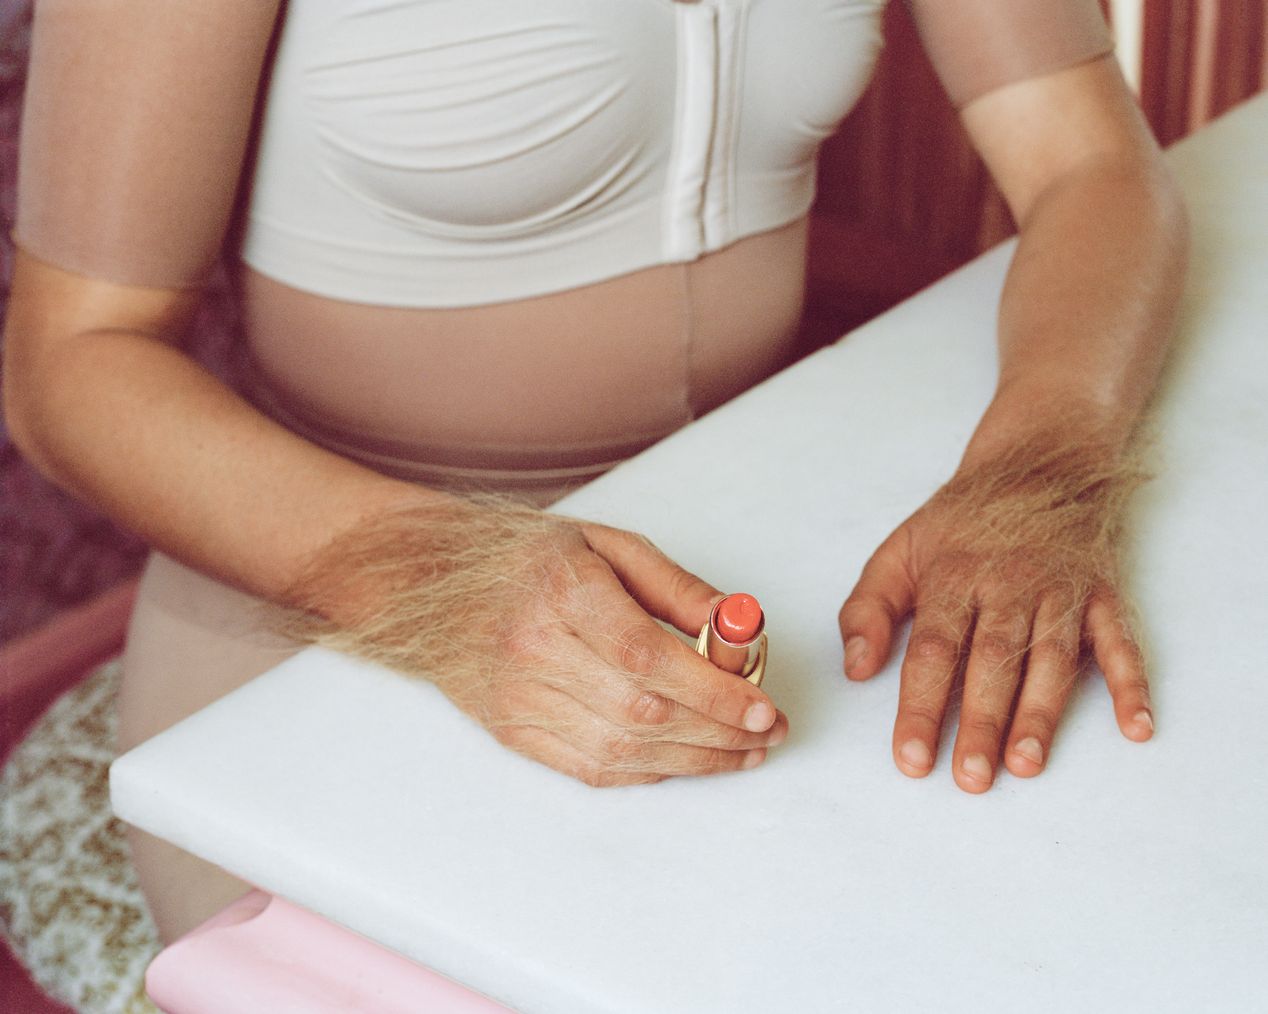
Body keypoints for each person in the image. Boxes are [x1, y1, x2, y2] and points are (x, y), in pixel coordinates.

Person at [4, 0, 1187, 947]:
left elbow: (1088, 164)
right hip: (318, 606)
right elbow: (70, 364)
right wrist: (442, 581)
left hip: (759, 570)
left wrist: (1035, 467)